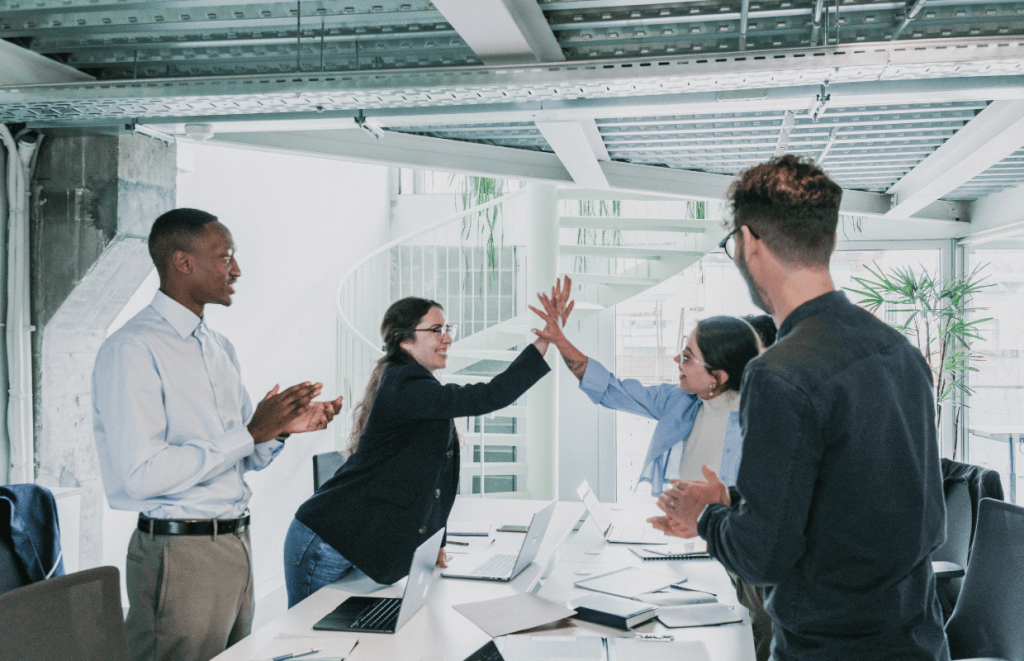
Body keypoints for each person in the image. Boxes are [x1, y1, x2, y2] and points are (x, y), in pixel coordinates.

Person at [650, 155, 948, 661]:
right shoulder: (902, 352)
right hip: (916, 639)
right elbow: (860, 501)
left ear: (749, 242)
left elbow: (763, 557)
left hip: (830, 650)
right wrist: (740, 499)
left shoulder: (781, 372)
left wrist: (707, 515)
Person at [92, 208, 344, 661]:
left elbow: (244, 455)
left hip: (235, 544)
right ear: (183, 263)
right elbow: (142, 475)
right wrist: (252, 431)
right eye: (225, 257)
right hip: (181, 553)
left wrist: (280, 431)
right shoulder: (133, 348)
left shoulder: (218, 347)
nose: (237, 270)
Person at [536, 277, 773, 661]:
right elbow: (609, 388)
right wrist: (560, 341)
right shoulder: (679, 402)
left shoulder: (761, 418)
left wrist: (708, 518)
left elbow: (772, 503)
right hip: (716, 545)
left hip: (754, 557)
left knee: (765, 638)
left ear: (718, 376)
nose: (676, 363)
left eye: (686, 357)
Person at [284, 291, 561, 605]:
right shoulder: (407, 386)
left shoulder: (416, 385)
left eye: (447, 329)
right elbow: (487, 396)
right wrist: (543, 344)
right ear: (405, 341)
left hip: (356, 538)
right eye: (436, 330)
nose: (447, 339)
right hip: (325, 540)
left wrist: (433, 539)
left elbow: (432, 478)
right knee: (306, 647)